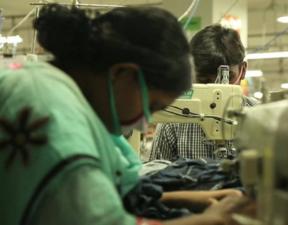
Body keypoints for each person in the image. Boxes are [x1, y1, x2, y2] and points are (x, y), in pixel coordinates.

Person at [0, 5, 244, 225]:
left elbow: (115, 191)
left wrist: (196, 198)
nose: (146, 122)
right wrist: (209, 220)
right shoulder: (52, 119)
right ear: (123, 75)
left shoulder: (49, 86)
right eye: (153, 105)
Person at [149, 24, 257, 161]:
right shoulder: (174, 121)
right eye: (204, 80)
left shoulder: (260, 117)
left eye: (228, 77)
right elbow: (156, 173)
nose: (217, 89)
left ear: (243, 71)